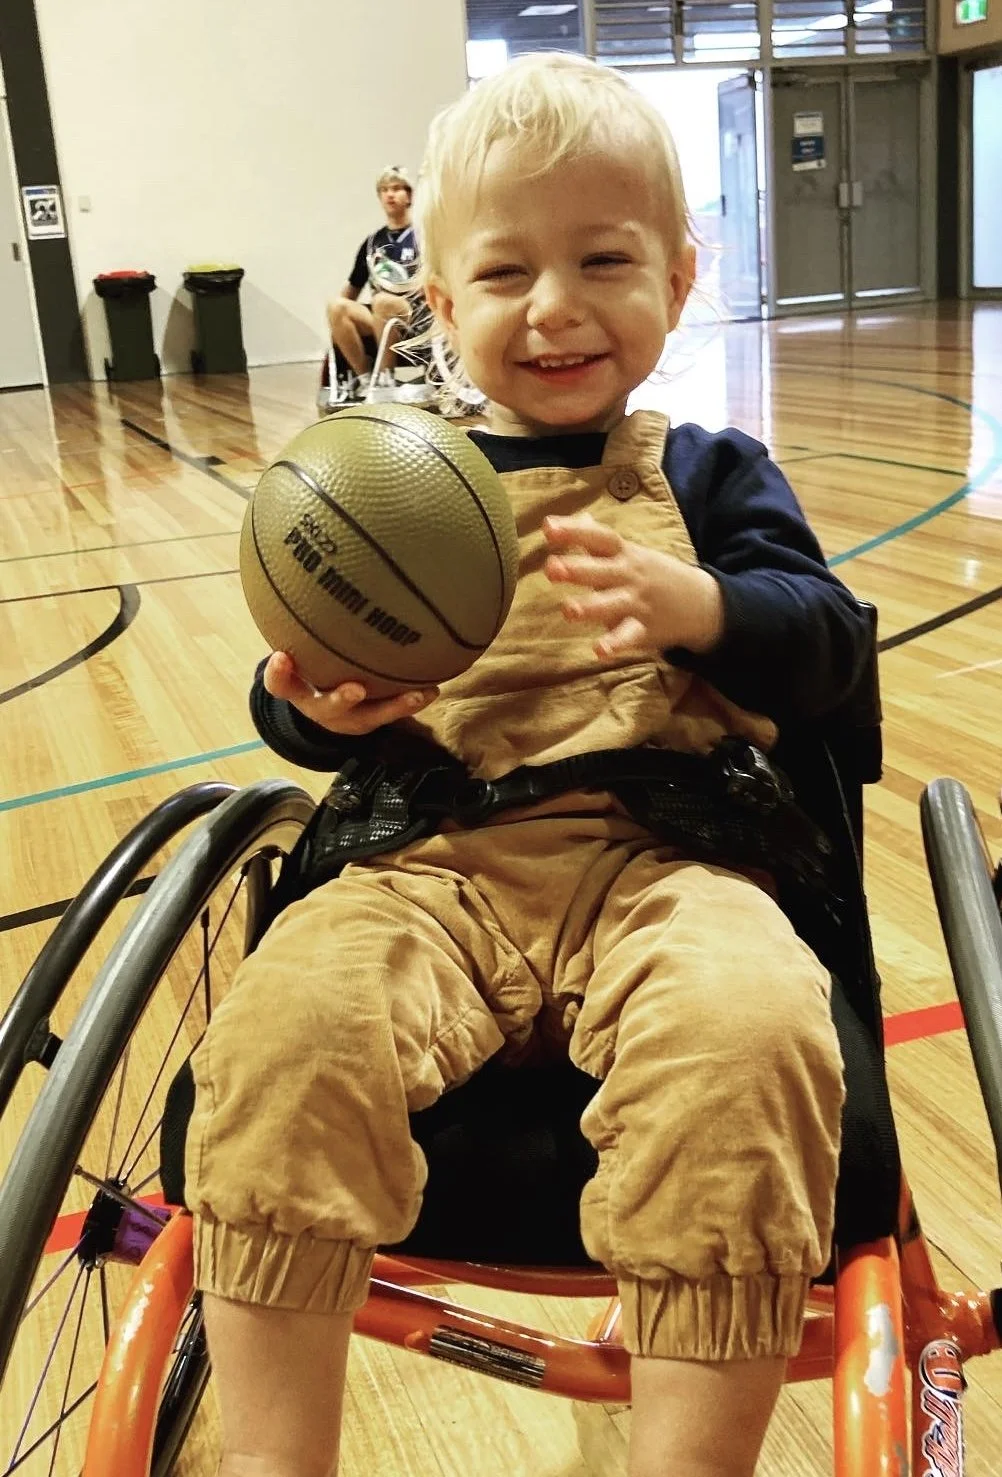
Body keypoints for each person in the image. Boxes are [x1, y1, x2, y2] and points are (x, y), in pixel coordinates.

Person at [187, 53, 873, 1477]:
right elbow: (310, 724)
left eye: (602, 260)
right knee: (278, 1032)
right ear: (438, 305)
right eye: (503, 273)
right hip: (435, 868)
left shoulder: (707, 474)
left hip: (668, 869)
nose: (553, 305)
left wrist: (711, 611)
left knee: (751, 1037)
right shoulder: (386, 477)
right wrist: (314, 707)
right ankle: (268, 1454)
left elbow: (829, 650)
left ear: (678, 281)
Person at [326, 166, 420, 398]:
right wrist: (337, 326)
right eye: (384, 190)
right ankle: (365, 377)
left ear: (409, 195)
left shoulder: (424, 236)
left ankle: (385, 379)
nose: (390, 194)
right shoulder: (372, 244)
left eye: (396, 188)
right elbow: (351, 291)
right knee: (336, 306)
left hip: (417, 313)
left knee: (382, 301)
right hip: (381, 315)